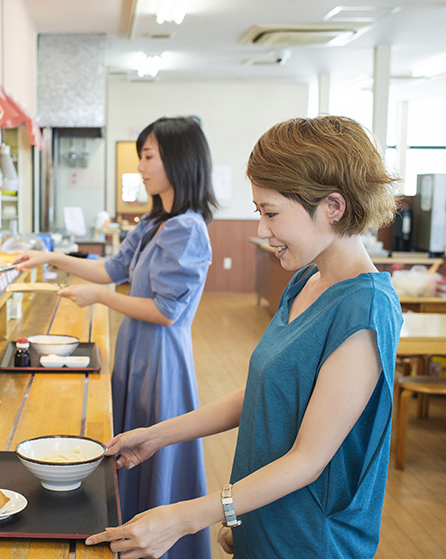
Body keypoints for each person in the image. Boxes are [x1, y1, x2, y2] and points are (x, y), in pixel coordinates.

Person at [85, 115, 403, 558]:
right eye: (258, 212)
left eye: (272, 213)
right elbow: (260, 392)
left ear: (333, 206)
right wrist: (158, 435)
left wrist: (188, 517)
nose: (261, 229)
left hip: (308, 541)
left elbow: (308, 460)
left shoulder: (364, 308)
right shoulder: (305, 282)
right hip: (264, 516)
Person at [12, 116, 218, 559]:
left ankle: (164, 545)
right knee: (128, 445)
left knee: (154, 450)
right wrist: (50, 256)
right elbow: (111, 269)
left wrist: (101, 298)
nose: (141, 166)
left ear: (179, 161)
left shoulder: (187, 228)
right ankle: (129, 536)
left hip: (161, 357)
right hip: (136, 348)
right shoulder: (154, 222)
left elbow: (166, 312)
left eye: (149, 156)